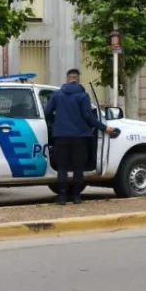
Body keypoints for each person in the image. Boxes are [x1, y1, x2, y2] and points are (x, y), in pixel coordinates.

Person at [45, 69, 118, 205]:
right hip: (80, 137)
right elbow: (88, 117)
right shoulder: (83, 96)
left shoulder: (57, 95)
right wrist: (104, 128)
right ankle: (76, 197)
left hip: (61, 136)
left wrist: (56, 122)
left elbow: (47, 112)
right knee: (78, 168)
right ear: (78, 79)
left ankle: (61, 197)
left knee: (62, 168)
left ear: (67, 79)